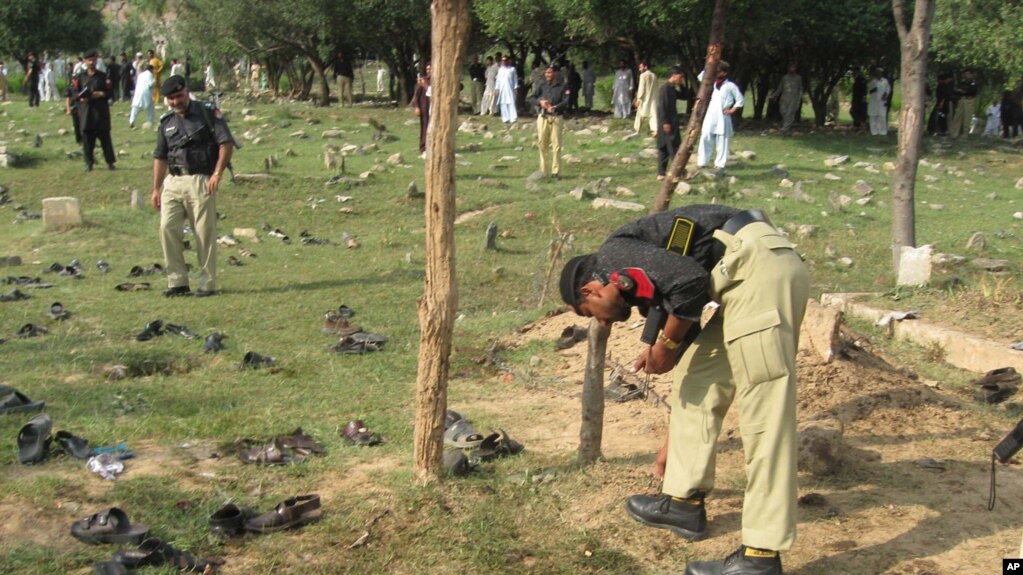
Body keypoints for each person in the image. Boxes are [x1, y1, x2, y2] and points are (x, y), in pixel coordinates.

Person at [559, 203, 808, 575]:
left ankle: (761, 556)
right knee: (698, 374)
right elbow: (686, 305)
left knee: (766, 417)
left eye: (589, 312)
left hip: (758, 272)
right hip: (745, 278)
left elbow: (690, 282)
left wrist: (667, 346)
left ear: (590, 288)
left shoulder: (614, 255)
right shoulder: (636, 276)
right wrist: (672, 446)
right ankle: (683, 501)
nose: (602, 323)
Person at [151, 75, 237, 298]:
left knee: (204, 234)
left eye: (179, 96)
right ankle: (177, 281)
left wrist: (217, 173)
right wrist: (156, 188)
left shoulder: (207, 113)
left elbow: (225, 143)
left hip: (200, 180)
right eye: (171, 98)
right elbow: (160, 156)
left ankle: (207, 284)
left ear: (187, 92)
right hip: (173, 181)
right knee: (167, 228)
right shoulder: (166, 121)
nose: (175, 102)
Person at [71, 50, 116, 172]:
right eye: (89, 60)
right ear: (85, 61)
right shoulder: (80, 77)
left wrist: (101, 93)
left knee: (105, 137)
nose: (91, 62)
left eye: (93, 60)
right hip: (86, 112)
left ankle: (110, 162)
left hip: (101, 111)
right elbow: (74, 93)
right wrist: (81, 98)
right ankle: (89, 163)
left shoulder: (103, 76)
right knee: (87, 139)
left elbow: (110, 92)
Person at [697, 61, 744, 172]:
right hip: (710, 114)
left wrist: (732, 110)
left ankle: (720, 164)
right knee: (705, 137)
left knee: (722, 140)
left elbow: (740, 100)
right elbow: (700, 76)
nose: (716, 73)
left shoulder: (730, 86)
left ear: (724, 72)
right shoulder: (710, 83)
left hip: (723, 116)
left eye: (718, 71)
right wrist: (710, 66)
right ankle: (702, 162)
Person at [530, 64, 570, 180]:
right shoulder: (542, 85)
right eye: (546, 72)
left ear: (556, 73)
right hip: (543, 117)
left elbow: (566, 101)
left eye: (550, 72)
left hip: (556, 117)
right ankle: (543, 171)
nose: (547, 75)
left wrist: (555, 108)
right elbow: (531, 98)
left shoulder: (563, 86)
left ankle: (555, 172)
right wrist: (540, 102)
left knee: (556, 145)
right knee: (542, 144)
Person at [656, 66, 686, 180]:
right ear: (674, 75)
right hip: (667, 122)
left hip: (670, 121)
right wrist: (665, 123)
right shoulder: (665, 88)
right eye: (680, 77)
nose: (681, 79)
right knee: (673, 147)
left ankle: (661, 173)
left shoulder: (672, 88)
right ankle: (678, 172)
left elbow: (684, 96)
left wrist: (681, 85)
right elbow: (662, 107)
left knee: (664, 147)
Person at [772, 63, 803, 133]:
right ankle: (787, 126)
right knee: (783, 111)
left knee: (790, 112)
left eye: (794, 67)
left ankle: (785, 128)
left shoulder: (798, 78)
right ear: (788, 68)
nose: (792, 69)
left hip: (794, 97)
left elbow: (800, 89)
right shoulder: (785, 77)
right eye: (791, 67)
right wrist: (774, 95)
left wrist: (801, 97)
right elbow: (780, 88)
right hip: (784, 97)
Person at [949, 69, 978, 138]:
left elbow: (972, 91)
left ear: (972, 74)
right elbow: (956, 91)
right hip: (961, 99)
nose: (966, 75)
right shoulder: (962, 82)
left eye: (968, 74)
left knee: (967, 117)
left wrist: (964, 91)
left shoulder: (974, 83)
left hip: (969, 100)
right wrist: (962, 91)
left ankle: (965, 133)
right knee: (957, 116)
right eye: (965, 74)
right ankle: (955, 133)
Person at [411, 66, 431, 158]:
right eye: (427, 69)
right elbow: (416, 95)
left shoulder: (436, 80)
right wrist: (417, 107)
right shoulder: (423, 80)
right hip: (424, 108)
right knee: (424, 128)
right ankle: (423, 148)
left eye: (430, 69)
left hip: (433, 109)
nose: (428, 71)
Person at [634, 62, 658, 136]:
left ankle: (637, 129)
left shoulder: (643, 76)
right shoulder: (654, 75)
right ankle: (655, 129)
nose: (640, 69)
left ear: (646, 67)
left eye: (641, 67)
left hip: (645, 98)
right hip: (654, 98)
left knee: (640, 113)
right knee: (653, 115)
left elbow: (641, 88)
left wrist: (638, 98)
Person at [130, 63, 155, 128]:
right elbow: (150, 84)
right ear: (150, 69)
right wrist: (155, 83)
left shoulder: (140, 75)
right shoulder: (150, 74)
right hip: (146, 92)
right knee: (151, 108)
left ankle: (131, 121)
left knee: (135, 107)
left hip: (138, 92)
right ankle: (149, 121)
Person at [866, 67, 890, 136]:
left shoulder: (885, 81)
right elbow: (869, 90)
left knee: (882, 116)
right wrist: (874, 89)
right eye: (877, 73)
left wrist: (885, 95)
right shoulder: (873, 81)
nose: (878, 74)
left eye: (880, 72)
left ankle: (883, 132)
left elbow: (888, 89)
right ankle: (874, 132)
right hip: (874, 101)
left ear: (882, 74)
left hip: (882, 102)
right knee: (873, 117)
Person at [495, 55, 519, 123]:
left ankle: (513, 118)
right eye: (503, 60)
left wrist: (515, 87)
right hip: (502, 89)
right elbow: (498, 80)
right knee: (503, 103)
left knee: (511, 102)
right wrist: (497, 88)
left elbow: (515, 79)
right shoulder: (500, 70)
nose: (504, 62)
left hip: (510, 88)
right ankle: (505, 118)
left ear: (508, 61)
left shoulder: (512, 69)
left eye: (505, 60)